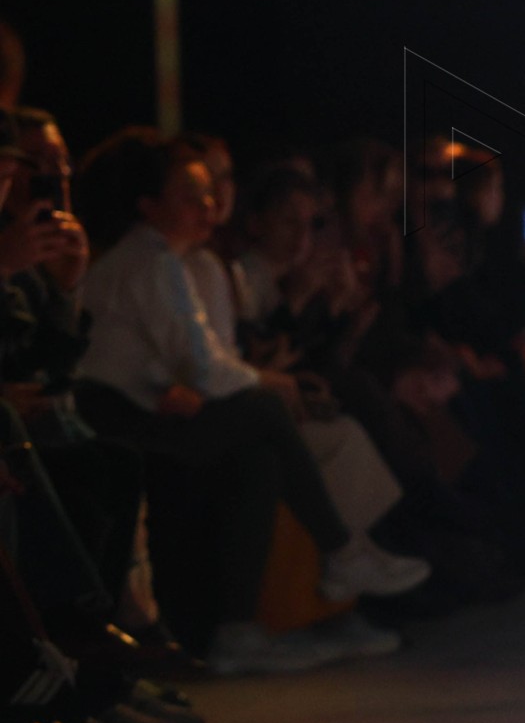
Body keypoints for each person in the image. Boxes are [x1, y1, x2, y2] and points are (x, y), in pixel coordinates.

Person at [70, 129, 429, 675]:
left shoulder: (160, 261)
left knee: (258, 453)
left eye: (209, 192)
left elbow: (167, 359)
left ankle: (240, 628)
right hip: (115, 418)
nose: (208, 205)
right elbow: (201, 364)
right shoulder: (153, 262)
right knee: (262, 410)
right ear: (149, 205)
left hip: (136, 408)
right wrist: (266, 380)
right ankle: (340, 552)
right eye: (190, 195)